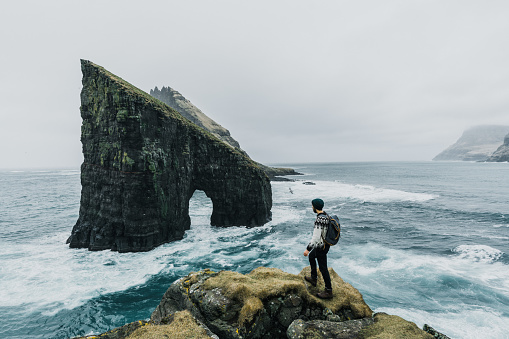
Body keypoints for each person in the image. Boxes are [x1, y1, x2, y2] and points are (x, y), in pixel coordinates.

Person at [304, 198, 333, 299]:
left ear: (315, 207)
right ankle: (313, 278)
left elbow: (316, 238)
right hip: (324, 245)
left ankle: (329, 291)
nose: (312, 207)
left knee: (323, 268)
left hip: (321, 247)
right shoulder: (326, 216)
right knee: (312, 257)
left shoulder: (319, 219)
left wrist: (308, 249)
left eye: (312, 205)